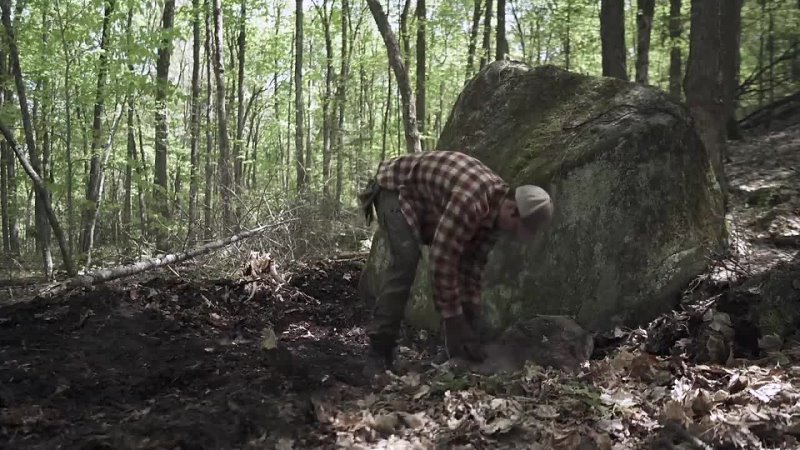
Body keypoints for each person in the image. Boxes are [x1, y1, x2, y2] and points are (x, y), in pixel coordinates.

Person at [357, 151, 554, 375]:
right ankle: (379, 352)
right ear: (512, 210)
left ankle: (452, 352)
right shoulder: (472, 201)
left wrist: (472, 318)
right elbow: (443, 259)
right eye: (518, 229)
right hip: (396, 188)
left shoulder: (494, 217)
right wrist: (455, 322)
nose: (514, 235)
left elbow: (471, 267)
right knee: (406, 260)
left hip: (425, 201)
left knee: (465, 317)